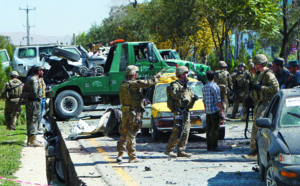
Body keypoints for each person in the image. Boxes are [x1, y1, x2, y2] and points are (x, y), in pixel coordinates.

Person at [117, 65, 160, 163]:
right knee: (132, 134)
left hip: (125, 112)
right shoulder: (134, 84)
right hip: (133, 112)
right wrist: (158, 76)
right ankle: (132, 157)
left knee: (123, 134)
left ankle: (120, 155)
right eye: (137, 73)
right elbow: (149, 83)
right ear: (134, 74)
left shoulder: (123, 83)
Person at [243, 54, 279, 160]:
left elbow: (276, 88)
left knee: (257, 126)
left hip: (266, 103)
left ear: (260, 63)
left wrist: (261, 88)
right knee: (257, 127)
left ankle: (254, 152)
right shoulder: (260, 74)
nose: (254, 65)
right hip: (260, 102)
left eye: (256, 63)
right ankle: (256, 151)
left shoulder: (268, 74)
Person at [165, 66, 198, 158]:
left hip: (186, 111)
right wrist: (183, 88)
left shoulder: (186, 86)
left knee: (186, 131)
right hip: (178, 111)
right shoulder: (175, 85)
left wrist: (194, 99)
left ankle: (181, 150)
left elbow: (189, 99)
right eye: (186, 73)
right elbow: (176, 95)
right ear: (181, 74)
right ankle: (169, 150)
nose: (188, 75)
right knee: (177, 131)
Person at [202, 71, 225, 151]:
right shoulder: (215, 87)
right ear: (214, 77)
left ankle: (209, 146)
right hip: (215, 110)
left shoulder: (204, 87)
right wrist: (221, 111)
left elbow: (204, 100)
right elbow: (218, 100)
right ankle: (214, 146)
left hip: (208, 111)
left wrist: (205, 109)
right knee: (215, 129)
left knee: (208, 129)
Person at [25, 66, 44, 147]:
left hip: (30, 102)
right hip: (34, 103)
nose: (43, 72)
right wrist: (40, 96)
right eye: (42, 70)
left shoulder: (29, 77)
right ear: (38, 71)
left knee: (30, 120)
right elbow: (35, 93)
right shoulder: (34, 79)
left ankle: (30, 139)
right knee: (34, 120)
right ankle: (33, 140)